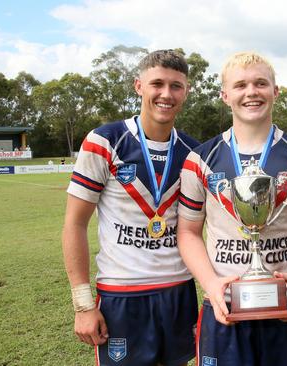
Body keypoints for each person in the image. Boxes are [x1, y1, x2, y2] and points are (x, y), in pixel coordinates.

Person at [177, 52, 287, 366]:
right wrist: (210, 283)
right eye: (240, 85)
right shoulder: (200, 159)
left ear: (275, 91)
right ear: (225, 95)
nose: (251, 92)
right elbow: (187, 232)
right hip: (223, 306)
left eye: (260, 83)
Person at [62, 49, 200, 366]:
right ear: (139, 86)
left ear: (186, 92)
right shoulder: (105, 141)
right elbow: (74, 224)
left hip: (178, 291)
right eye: (157, 84)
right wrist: (83, 304)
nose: (166, 94)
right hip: (121, 295)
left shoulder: (193, 151)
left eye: (176, 86)